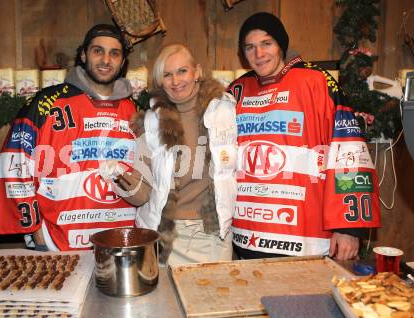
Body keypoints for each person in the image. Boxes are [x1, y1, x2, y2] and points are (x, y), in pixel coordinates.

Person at [228, 12, 381, 261]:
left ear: (280, 45)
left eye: (266, 43)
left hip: (304, 238)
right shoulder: (236, 90)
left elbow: (349, 153)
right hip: (246, 232)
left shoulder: (317, 81)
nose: (259, 54)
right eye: (250, 47)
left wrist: (349, 228)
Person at [0, 24, 149, 251]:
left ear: (122, 62)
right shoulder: (47, 102)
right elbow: (14, 166)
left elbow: (149, 177)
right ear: (84, 54)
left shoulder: (135, 111)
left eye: (114, 53)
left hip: (121, 243)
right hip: (58, 244)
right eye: (98, 51)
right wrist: (36, 231)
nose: (106, 60)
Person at [131, 44, 237, 265]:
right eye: (167, 75)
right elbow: (142, 188)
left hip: (213, 234)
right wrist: (118, 178)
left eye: (182, 71)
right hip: (166, 236)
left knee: (215, 298)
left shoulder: (225, 111)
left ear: (197, 71)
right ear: (160, 81)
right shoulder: (151, 121)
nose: (176, 81)